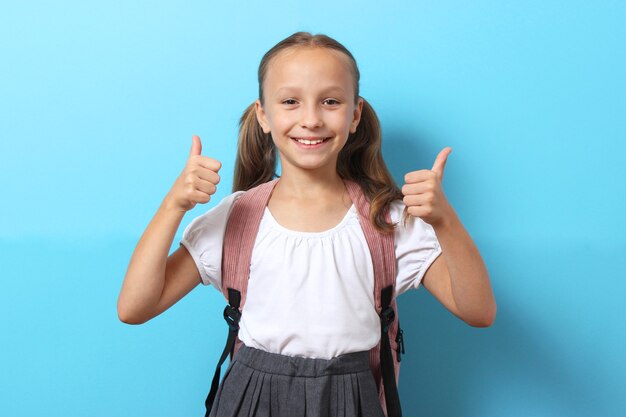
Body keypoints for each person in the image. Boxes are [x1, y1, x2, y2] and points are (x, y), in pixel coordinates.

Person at [117, 31, 496, 417]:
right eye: (290, 102)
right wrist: (173, 206)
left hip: (354, 399)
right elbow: (134, 307)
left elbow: (478, 311)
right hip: (250, 399)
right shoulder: (236, 217)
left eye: (330, 101)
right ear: (264, 115)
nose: (311, 119)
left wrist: (444, 221)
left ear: (355, 115)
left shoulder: (387, 220)